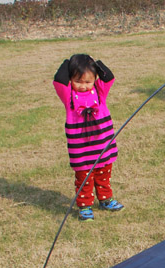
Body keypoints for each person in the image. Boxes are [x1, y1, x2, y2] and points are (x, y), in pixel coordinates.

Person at [53, 54, 124, 221]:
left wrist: (95, 63)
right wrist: (67, 63)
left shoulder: (99, 91)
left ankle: (106, 199)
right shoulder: (69, 96)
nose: (83, 86)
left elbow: (109, 77)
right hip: (82, 150)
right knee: (84, 178)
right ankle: (85, 206)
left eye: (88, 81)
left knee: (103, 174)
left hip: (102, 146)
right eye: (78, 81)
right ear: (71, 79)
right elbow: (58, 81)